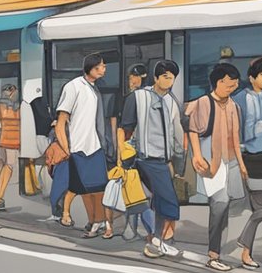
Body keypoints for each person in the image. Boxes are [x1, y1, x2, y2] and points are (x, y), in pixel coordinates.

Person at [120, 59, 184, 260]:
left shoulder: (171, 102)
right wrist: (122, 156)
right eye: (165, 76)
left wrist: (178, 158)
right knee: (167, 200)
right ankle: (158, 240)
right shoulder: (138, 97)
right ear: (156, 78)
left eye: (172, 77)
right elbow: (125, 127)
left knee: (156, 200)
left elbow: (176, 133)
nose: (168, 80)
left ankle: (155, 241)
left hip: (162, 160)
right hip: (142, 158)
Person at [186, 63, 247, 272]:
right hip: (214, 161)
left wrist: (241, 163)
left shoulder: (234, 106)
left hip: (231, 161)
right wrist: (196, 154)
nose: (233, 89)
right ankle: (213, 255)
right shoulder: (203, 102)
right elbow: (193, 130)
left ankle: (218, 251)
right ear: (219, 82)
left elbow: (236, 136)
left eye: (235, 86)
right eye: (230, 86)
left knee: (227, 205)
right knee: (219, 204)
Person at [56, 54, 111, 239]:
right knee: (87, 189)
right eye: (101, 66)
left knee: (98, 188)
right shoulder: (74, 87)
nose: (104, 69)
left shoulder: (95, 89)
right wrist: (66, 149)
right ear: (92, 68)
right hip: (79, 147)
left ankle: (98, 222)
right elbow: (61, 121)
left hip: (95, 145)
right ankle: (95, 222)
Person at [233, 57, 262, 269]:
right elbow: (243, 133)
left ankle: (244, 247)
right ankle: (245, 249)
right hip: (250, 157)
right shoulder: (241, 98)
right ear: (252, 78)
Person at [114, 65, 149, 241]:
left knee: (132, 189)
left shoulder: (133, 97)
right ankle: (147, 230)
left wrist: (121, 151)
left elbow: (125, 127)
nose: (132, 81)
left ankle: (134, 228)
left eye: (134, 78)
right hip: (153, 151)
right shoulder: (156, 96)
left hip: (133, 150)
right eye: (130, 77)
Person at [0, 84, 20, 210]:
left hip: (0, 139)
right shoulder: (11, 105)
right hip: (10, 139)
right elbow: (11, 119)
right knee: (9, 166)